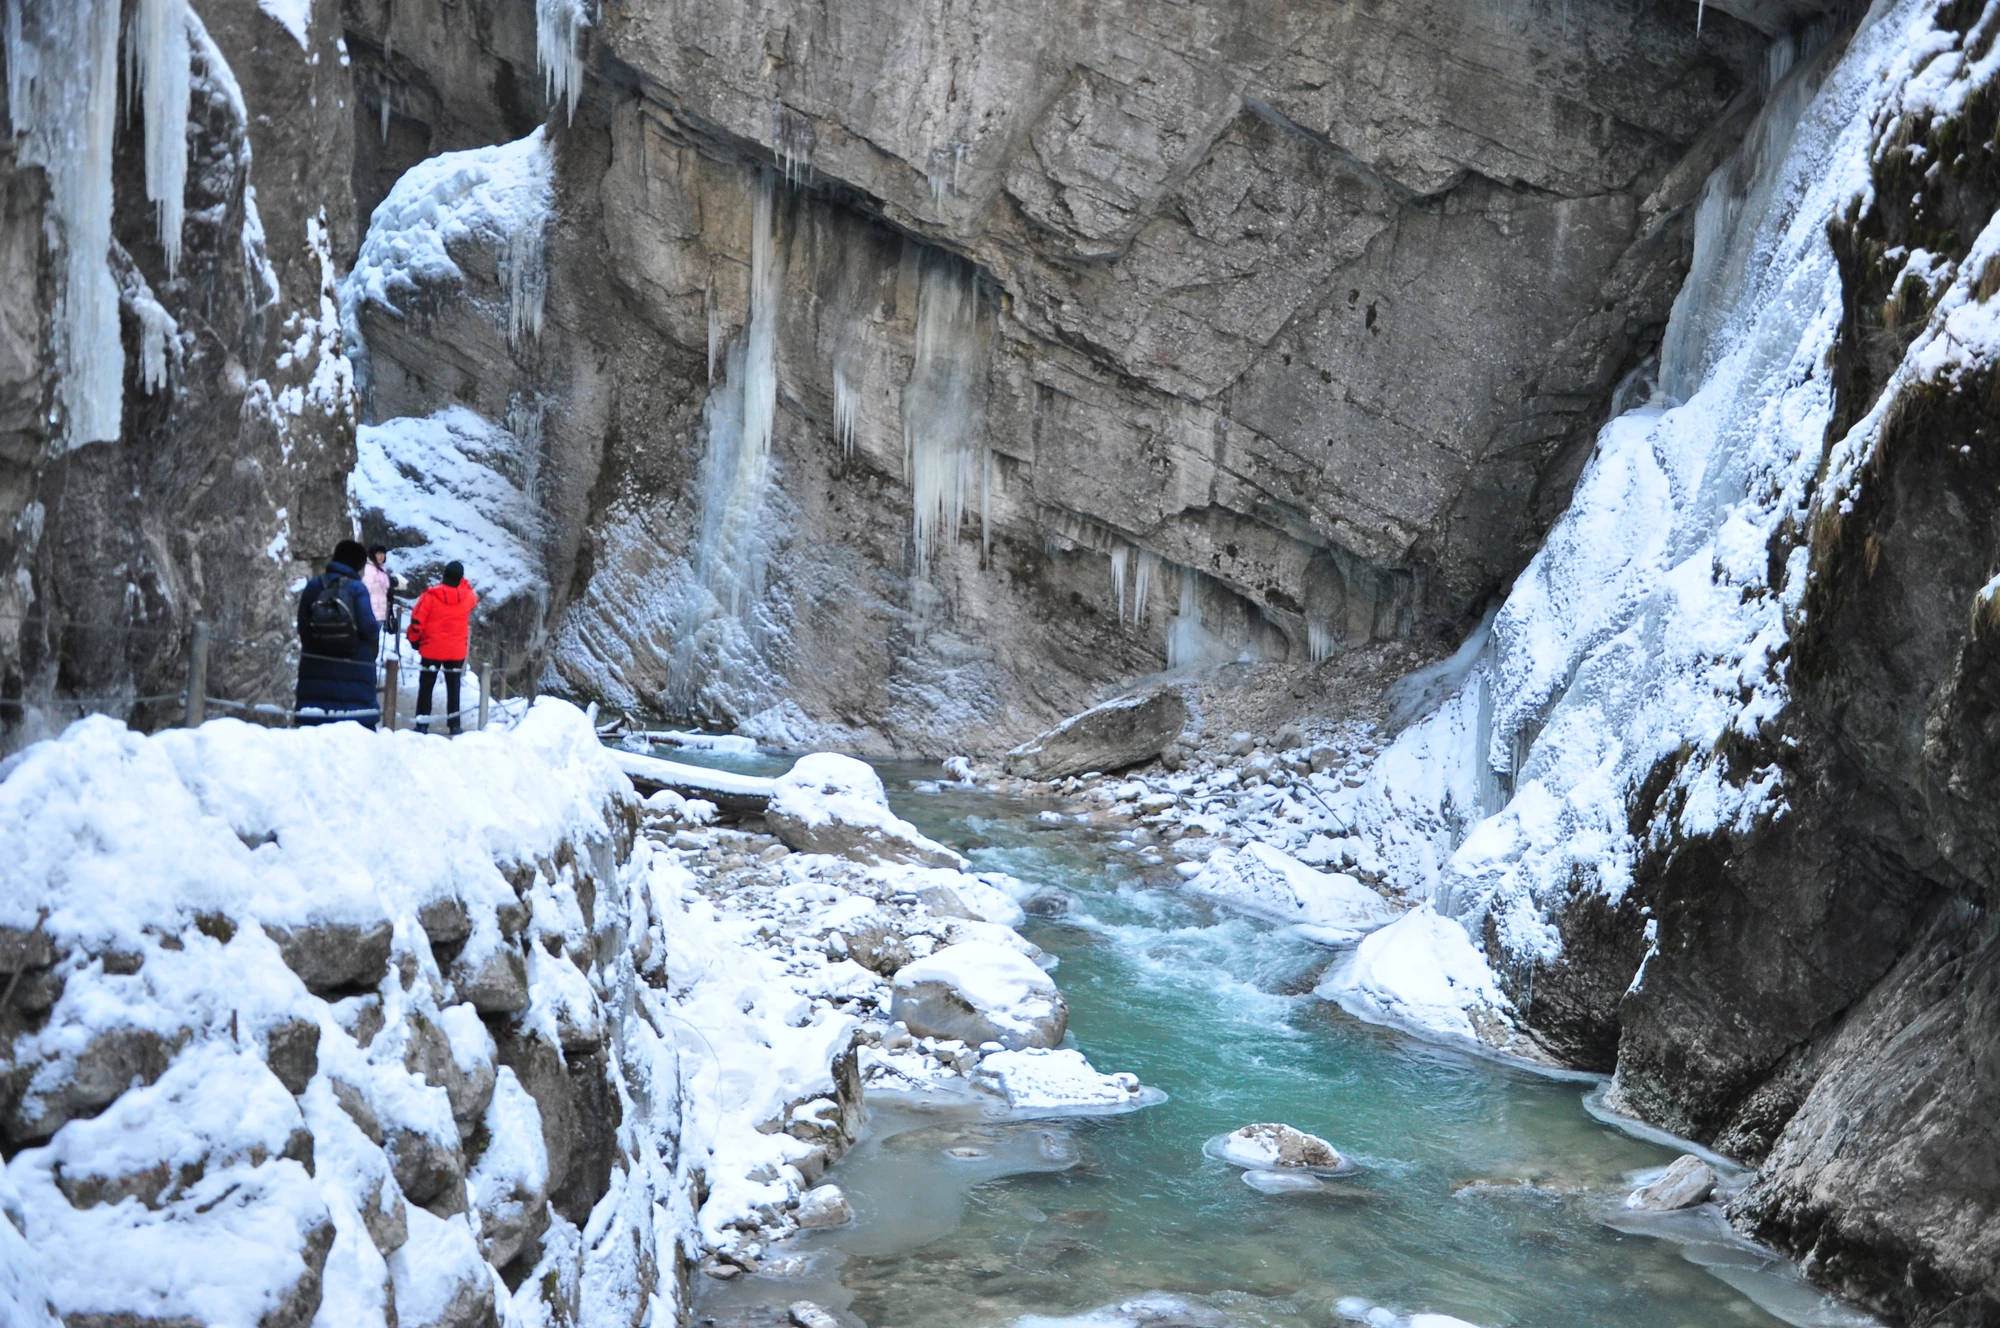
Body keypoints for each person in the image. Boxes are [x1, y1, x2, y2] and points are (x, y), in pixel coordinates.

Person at [295, 538, 381, 727]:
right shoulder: (357, 589)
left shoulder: (314, 586)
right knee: (354, 732)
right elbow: (369, 629)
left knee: (313, 730)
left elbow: (303, 625)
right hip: (355, 673)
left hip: (315, 668)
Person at [407, 561, 478, 735]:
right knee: (454, 687)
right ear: (461, 578)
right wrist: (463, 583)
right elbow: (472, 596)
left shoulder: (430, 596)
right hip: (456, 651)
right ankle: (454, 724)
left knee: (426, 687)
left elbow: (417, 621)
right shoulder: (468, 597)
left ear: (444, 575)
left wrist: (414, 640)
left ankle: (422, 723)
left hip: (432, 649)